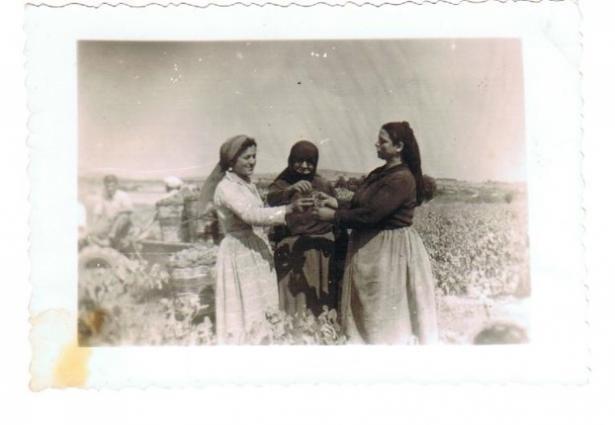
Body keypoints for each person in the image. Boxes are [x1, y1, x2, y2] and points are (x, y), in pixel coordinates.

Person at [314, 121, 438, 344]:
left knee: (382, 308)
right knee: (369, 305)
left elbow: (371, 215)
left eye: (383, 141)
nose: (377, 144)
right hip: (371, 245)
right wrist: (335, 202)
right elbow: (361, 204)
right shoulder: (381, 173)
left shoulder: (402, 178)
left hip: (389, 249)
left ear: (399, 146)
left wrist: (333, 216)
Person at [199, 135, 312, 344]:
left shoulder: (245, 184)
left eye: (254, 156)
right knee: (247, 303)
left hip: (253, 247)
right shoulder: (227, 188)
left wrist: (291, 210)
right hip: (239, 250)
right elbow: (250, 215)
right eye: (246, 158)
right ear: (232, 161)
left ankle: (262, 341)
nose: (252, 162)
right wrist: (288, 209)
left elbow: (259, 212)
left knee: (260, 302)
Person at [267, 141, 339, 317]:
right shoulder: (282, 184)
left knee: (319, 299)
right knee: (296, 301)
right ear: (291, 161)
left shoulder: (323, 184)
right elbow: (271, 201)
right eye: (299, 161)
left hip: (321, 248)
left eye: (310, 162)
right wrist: (290, 190)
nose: (304, 167)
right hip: (293, 250)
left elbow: (337, 212)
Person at [90, 174, 134, 249]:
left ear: (116, 185)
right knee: (94, 232)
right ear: (105, 186)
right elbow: (97, 212)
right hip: (110, 222)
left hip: (123, 224)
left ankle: (109, 239)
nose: (109, 188)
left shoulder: (123, 195)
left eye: (112, 186)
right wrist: (93, 227)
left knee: (124, 216)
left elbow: (129, 209)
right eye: (107, 186)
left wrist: (117, 213)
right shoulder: (103, 196)